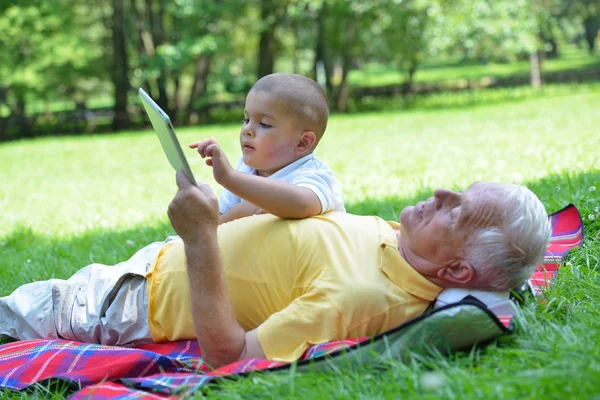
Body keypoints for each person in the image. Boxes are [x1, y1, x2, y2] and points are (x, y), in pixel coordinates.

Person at [0, 174, 551, 369]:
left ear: (455, 268)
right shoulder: (405, 245)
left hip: (129, 302)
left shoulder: (364, 298)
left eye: (459, 208)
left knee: (16, 312)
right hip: (152, 265)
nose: (441, 192)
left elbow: (229, 355)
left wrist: (198, 236)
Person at [188, 73, 345, 224]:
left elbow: (303, 203)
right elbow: (220, 224)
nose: (246, 129)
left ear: (302, 143)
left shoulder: (314, 175)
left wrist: (229, 178)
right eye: (246, 119)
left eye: (264, 124)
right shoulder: (245, 169)